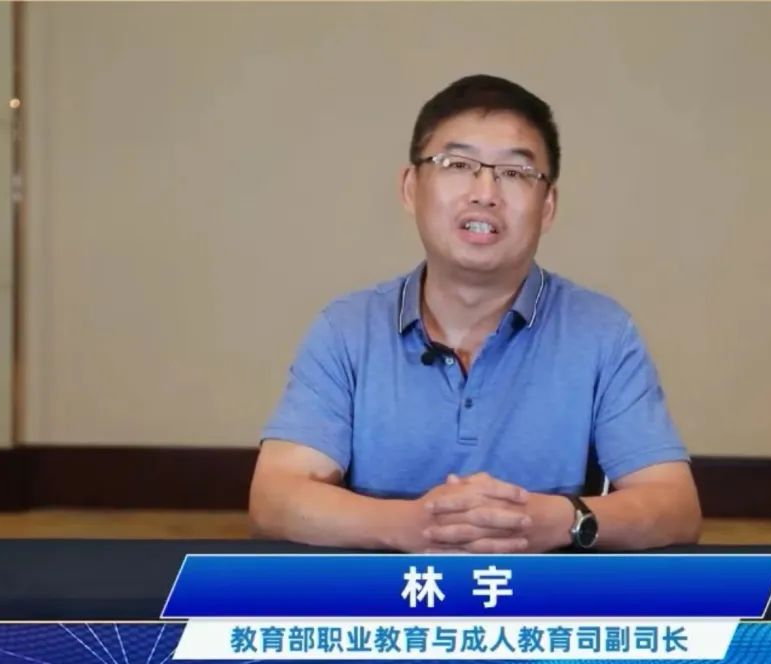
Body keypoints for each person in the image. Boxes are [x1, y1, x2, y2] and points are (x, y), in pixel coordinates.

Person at [249, 74, 701, 553]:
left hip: (541, 599)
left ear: (548, 206)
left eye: (515, 172)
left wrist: (556, 520)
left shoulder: (602, 333)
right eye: (458, 164)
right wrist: (407, 526)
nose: (485, 192)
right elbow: (274, 499)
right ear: (410, 188)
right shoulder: (345, 330)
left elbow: (675, 508)